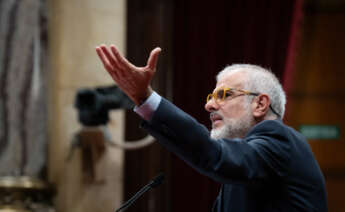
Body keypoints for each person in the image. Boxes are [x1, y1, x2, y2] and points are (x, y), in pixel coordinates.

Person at [95, 45, 328, 212]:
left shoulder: (279, 141)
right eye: (211, 96)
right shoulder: (249, 160)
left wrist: (146, 99)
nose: (209, 105)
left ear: (260, 104)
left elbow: (214, 155)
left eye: (224, 95)